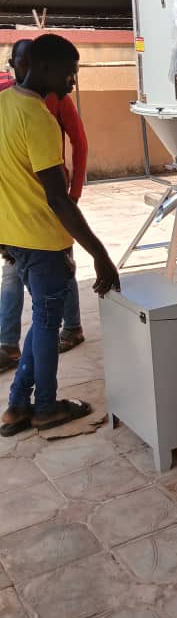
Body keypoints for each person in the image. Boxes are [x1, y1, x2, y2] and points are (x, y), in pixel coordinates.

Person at [0, 33, 119, 437]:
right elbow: (57, 198)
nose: (72, 82)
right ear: (45, 67)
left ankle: (17, 406)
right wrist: (100, 254)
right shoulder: (38, 118)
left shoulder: (4, 104)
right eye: (69, 73)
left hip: (16, 238)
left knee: (42, 323)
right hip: (44, 241)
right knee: (48, 325)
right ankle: (46, 407)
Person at [0, 40, 89, 372]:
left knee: (59, 275)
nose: (72, 81)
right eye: (20, 62)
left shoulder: (54, 102)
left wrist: (74, 195)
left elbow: (79, 142)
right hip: (21, 215)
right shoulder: (10, 102)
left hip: (52, 210)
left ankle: (72, 327)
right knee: (25, 284)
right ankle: (9, 347)